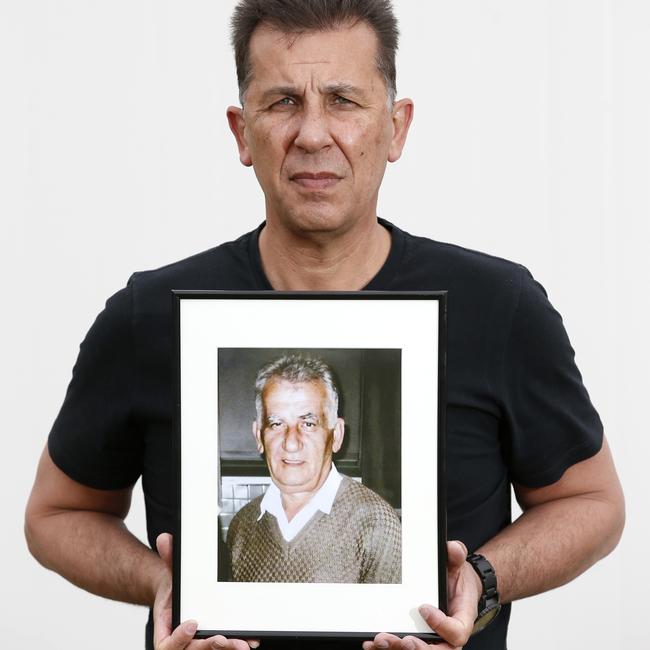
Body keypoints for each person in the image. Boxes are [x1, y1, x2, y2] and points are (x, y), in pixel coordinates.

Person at [24, 1, 625, 649]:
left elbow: (593, 504)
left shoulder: (500, 306)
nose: (313, 134)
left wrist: (481, 576)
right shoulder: (148, 315)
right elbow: (56, 514)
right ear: (240, 132)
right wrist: (162, 584)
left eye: (343, 100)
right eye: (283, 102)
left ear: (396, 129)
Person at [226, 354, 402, 584]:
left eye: (308, 424)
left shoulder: (378, 524)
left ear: (336, 435)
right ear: (258, 435)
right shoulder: (241, 526)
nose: (291, 442)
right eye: (277, 424)